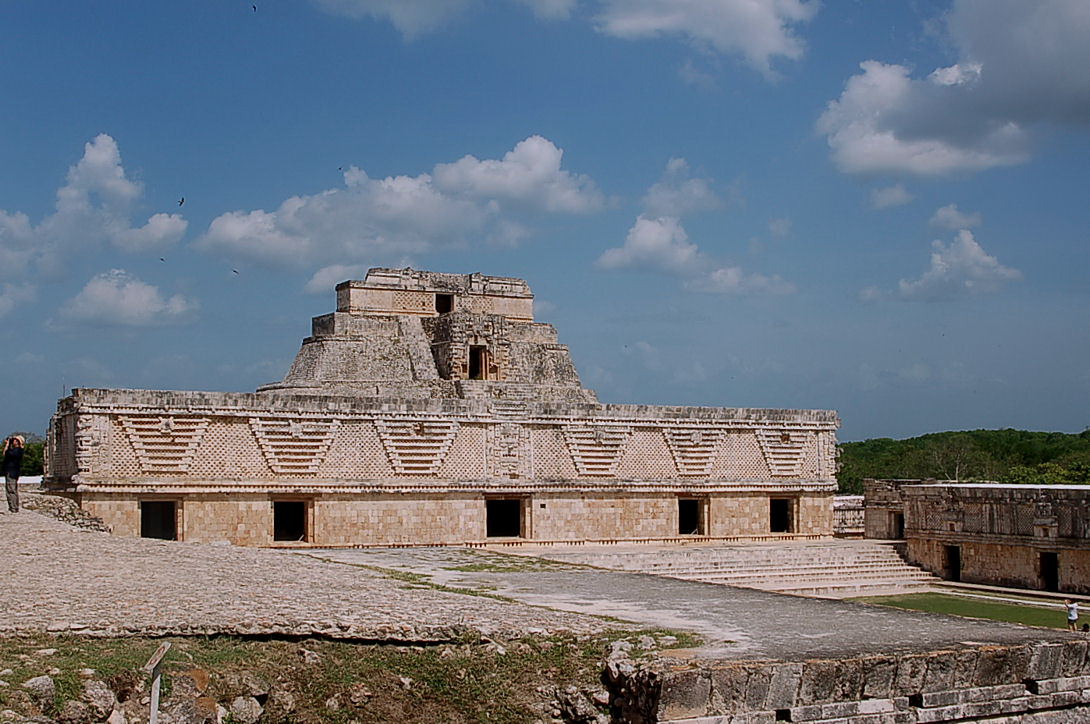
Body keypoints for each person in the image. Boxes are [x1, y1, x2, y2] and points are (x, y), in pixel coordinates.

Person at [2, 435, 25, 513]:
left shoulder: (17, 451)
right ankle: (13, 506)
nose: (14, 442)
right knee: (10, 489)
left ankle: (13, 507)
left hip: (12, 472)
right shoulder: (16, 450)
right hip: (11, 471)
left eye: (15, 440)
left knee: (11, 490)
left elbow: (5, 453)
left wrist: (7, 445)